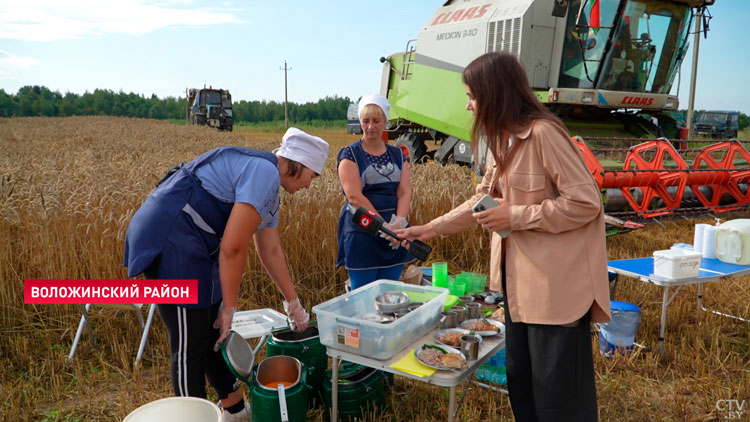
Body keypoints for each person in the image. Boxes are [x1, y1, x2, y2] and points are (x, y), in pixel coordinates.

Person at [397, 52, 611, 422]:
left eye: (473, 96)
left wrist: (515, 215)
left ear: (495, 94)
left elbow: (586, 202)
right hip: (517, 290)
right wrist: (430, 228)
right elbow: (481, 202)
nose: (468, 104)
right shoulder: (504, 142)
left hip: (555, 292)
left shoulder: (544, 134)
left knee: (559, 401)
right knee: (524, 388)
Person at [123, 128, 329, 422]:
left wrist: (292, 302)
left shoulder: (269, 188)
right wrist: (230, 307)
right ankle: (191, 416)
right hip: (170, 240)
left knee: (213, 331)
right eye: (313, 176)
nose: (310, 185)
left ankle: (234, 412)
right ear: (301, 163)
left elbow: (269, 250)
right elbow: (233, 248)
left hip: (196, 245)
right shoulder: (264, 173)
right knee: (190, 341)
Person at [336, 94, 413, 290]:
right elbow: (354, 197)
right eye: (366, 121)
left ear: (385, 122)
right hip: (363, 231)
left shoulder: (398, 154)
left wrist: (400, 223)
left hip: (394, 236)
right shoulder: (350, 155)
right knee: (363, 294)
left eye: (376, 121)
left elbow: (404, 191)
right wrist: (383, 227)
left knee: (390, 292)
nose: (370, 127)